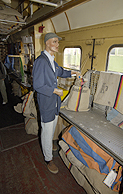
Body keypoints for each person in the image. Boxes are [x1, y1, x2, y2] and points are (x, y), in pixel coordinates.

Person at [33, 32, 81, 174]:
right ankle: (48, 159)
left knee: (52, 128)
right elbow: (37, 85)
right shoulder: (40, 61)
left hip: (54, 103)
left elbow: (60, 71)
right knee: (47, 132)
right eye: (54, 42)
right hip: (47, 103)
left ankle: (48, 145)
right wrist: (54, 91)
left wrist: (73, 73)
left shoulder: (51, 60)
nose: (57, 45)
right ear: (47, 43)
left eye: (57, 42)